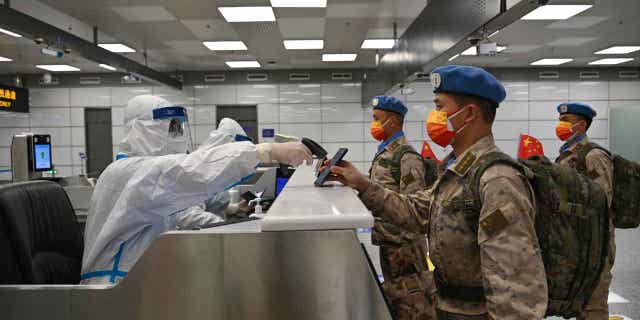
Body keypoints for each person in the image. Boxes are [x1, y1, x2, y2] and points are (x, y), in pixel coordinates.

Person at [326, 65, 548, 319]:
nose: (435, 115)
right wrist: (362, 184)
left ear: (470, 114)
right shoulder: (458, 168)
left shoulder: (497, 178)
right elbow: (418, 211)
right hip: (447, 306)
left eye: (440, 106)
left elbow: (516, 284)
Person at [81, 95, 312, 284]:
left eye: (177, 127)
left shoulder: (145, 173)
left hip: (139, 282)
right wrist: (265, 151)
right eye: (169, 127)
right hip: (114, 289)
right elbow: (192, 171)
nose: (175, 135)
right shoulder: (126, 172)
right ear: (141, 129)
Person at [367, 95, 436, 319]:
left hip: (404, 247)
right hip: (389, 242)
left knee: (414, 306)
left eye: (378, 119)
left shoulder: (406, 157)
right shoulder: (385, 152)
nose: (374, 124)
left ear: (394, 121)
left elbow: (414, 207)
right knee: (397, 302)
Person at [555, 102, 614, 320]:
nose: (560, 125)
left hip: (595, 243)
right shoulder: (566, 155)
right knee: (579, 304)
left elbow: (602, 202)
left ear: (580, 126)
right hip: (576, 241)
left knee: (593, 305)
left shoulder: (594, 156)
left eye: (565, 121)